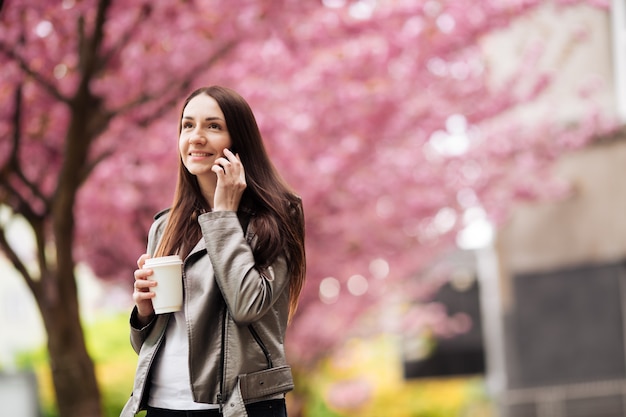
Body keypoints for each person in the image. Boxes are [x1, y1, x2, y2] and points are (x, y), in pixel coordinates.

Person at [120, 86, 306, 417]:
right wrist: (144, 312)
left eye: (213, 126)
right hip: (162, 404)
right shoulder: (165, 226)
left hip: (240, 406)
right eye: (187, 125)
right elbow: (145, 346)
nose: (196, 137)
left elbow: (249, 305)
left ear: (239, 140)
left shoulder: (275, 216)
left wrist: (223, 216)